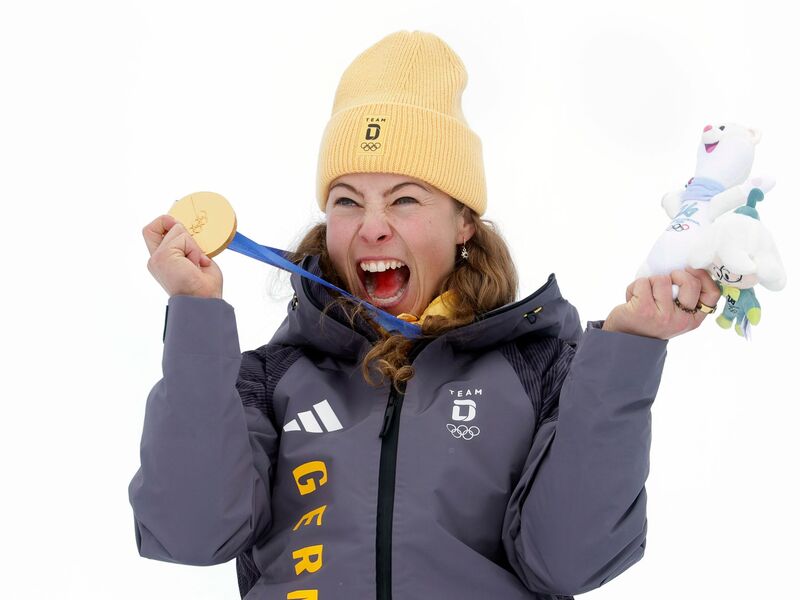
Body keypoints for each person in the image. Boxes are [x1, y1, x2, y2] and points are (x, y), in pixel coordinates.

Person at [129, 30, 721, 600]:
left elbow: (572, 559)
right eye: (347, 201)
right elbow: (191, 531)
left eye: (405, 198)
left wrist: (628, 350)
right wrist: (195, 314)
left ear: (464, 222)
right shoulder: (271, 379)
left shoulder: (541, 372)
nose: (372, 225)